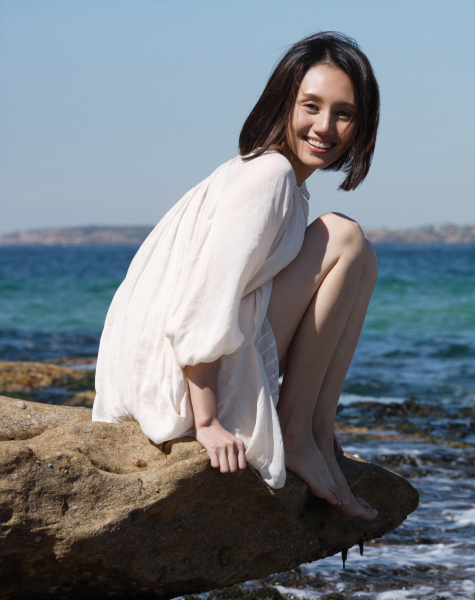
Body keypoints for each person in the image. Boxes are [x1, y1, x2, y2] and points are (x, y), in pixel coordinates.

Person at [93, 32, 380, 520]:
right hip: (175, 386)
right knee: (345, 237)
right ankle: (296, 432)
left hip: (171, 373)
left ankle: (313, 429)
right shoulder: (267, 177)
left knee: (361, 256)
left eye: (344, 113)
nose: (325, 126)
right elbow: (202, 301)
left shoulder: (275, 181)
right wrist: (206, 421)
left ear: (361, 124)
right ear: (283, 101)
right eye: (311, 106)